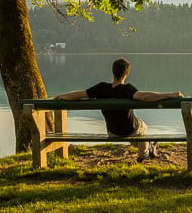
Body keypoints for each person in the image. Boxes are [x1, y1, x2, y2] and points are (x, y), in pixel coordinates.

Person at [54, 57, 184, 162]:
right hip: (130, 130)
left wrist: (61, 96)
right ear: (127, 73)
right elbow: (145, 97)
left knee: (138, 132)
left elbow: (78, 95)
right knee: (142, 127)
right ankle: (144, 154)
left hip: (112, 132)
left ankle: (147, 149)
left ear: (113, 72)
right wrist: (169, 95)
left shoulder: (101, 88)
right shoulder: (127, 89)